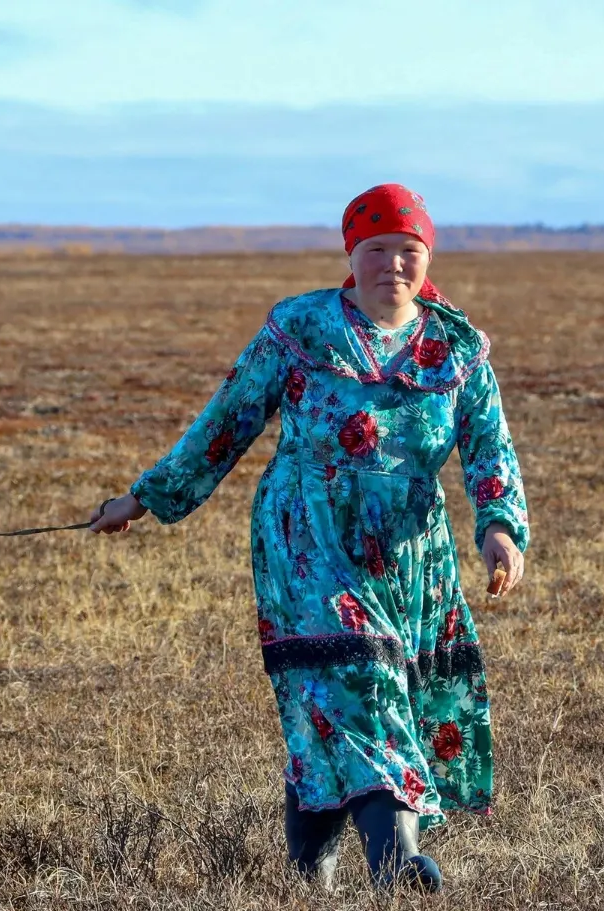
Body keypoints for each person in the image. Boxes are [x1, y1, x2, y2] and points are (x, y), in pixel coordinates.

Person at [89, 183, 530, 891]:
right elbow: (226, 421)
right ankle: (394, 867)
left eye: (408, 250)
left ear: (427, 257)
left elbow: (490, 452)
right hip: (305, 539)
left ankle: (309, 873)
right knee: (361, 677)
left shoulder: (458, 349)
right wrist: (142, 499)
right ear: (350, 254)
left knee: (339, 699)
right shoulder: (299, 327)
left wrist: (500, 530)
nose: (392, 265)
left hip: (408, 555)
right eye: (376, 249)